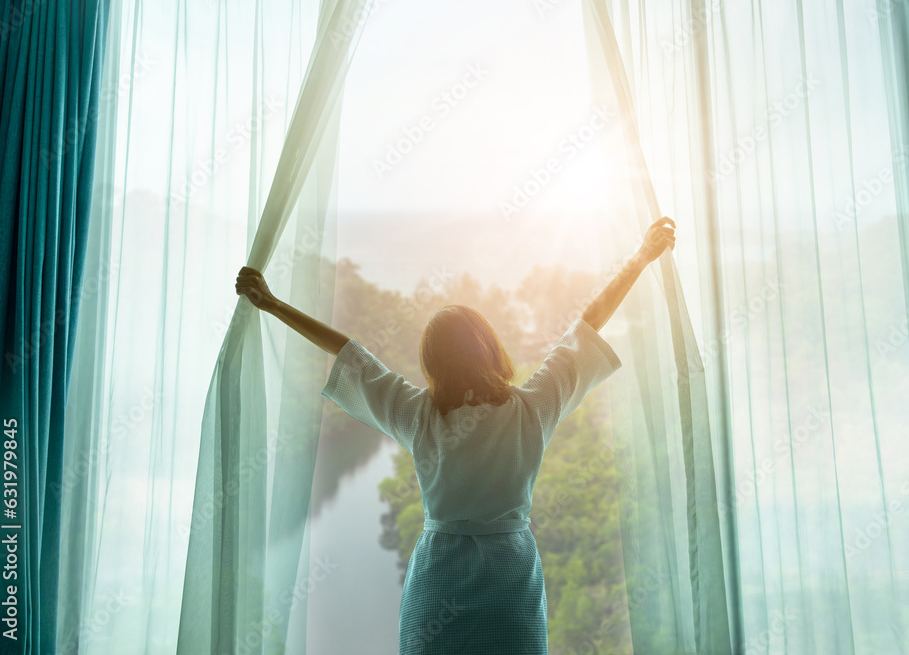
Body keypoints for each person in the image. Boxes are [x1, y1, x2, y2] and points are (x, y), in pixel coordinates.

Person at [235, 217, 676, 654]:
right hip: (511, 588)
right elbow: (587, 326)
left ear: (433, 363)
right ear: (490, 349)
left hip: (435, 589)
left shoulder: (418, 415)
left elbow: (349, 353)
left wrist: (273, 304)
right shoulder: (531, 408)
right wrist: (640, 258)